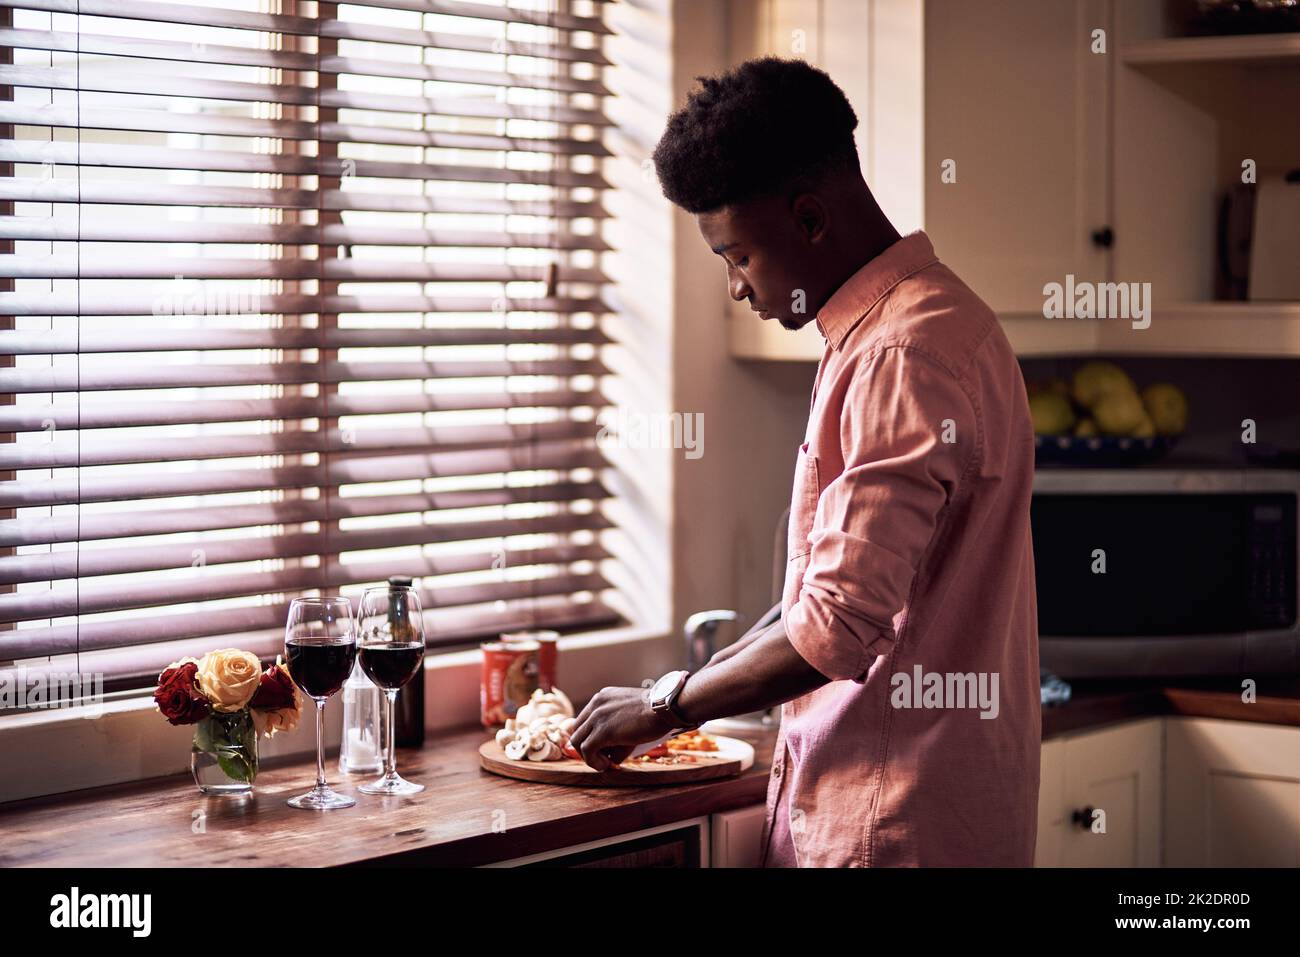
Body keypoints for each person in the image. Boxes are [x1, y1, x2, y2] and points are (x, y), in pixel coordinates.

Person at [567, 57, 1041, 867]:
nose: (736, 288)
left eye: (737, 256)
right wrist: (691, 683)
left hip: (886, 824)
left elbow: (834, 631)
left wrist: (666, 705)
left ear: (812, 219)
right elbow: (826, 595)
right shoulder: (939, 319)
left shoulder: (898, 353)